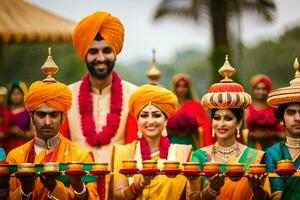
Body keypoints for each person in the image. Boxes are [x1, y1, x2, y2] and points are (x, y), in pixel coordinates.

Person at [2, 77, 99, 199]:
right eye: (41, 115)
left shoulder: (81, 157)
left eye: (53, 115)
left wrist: (73, 188)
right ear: (31, 117)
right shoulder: (15, 157)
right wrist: (25, 190)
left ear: (63, 117)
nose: (47, 122)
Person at [61, 11, 138, 165]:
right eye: (93, 52)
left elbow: (138, 148)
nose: (101, 58)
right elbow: (61, 148)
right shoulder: (66, 96)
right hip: (77, 184)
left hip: (121, 185)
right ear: (84, 55)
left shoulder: (134, 95)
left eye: (107, 50)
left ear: (115, 53)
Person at [190, 56, 269, 200]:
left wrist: (257, 190)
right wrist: (212, 190)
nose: (221, 124)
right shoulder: (200, 156)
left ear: (238, 123)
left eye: (228, 118)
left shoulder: (255, 157)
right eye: (217, 118)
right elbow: (192, 197)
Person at [113, 84, 192, 200]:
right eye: (144, 115)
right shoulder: (124, 153)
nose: (150, 121)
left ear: (165, 120)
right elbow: (118, 196)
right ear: (137, 121)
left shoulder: (183, 154)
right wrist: (141, 183)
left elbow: (191, 195)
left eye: (156, 115)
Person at [264, 58, 300, 200]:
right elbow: (275, 194)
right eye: (291, 113)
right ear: (281, 119)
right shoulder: (272, 153)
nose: (298, 118)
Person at [167, 73, 213, 149]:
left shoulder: (196, 105)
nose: (181, 89)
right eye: (178, 86)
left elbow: (206, 125)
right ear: (174, 87)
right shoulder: (169, 105)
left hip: (191, 142)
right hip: (172, 143)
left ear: (189, 88)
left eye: (184, 86)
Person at [245, 74, 285, 150]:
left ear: (268, 90)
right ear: (253, 90)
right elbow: (242, 132)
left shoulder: (275, 108)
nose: (261, 91)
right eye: (258, 88)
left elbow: (283, 132)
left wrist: (271, 134)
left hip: (273, 147)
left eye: (264, 89)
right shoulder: (246, 109)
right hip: (252, 148)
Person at [5, 80, 34, 152]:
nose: (16, 96)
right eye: (13, 93)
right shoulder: (4, 111)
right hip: (5, 148)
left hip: (23, 148)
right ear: (9, 95)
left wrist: (21, 133)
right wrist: (8, 131)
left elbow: (33, 133)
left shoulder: (28, 112)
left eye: (18, 93)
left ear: (23, 95)